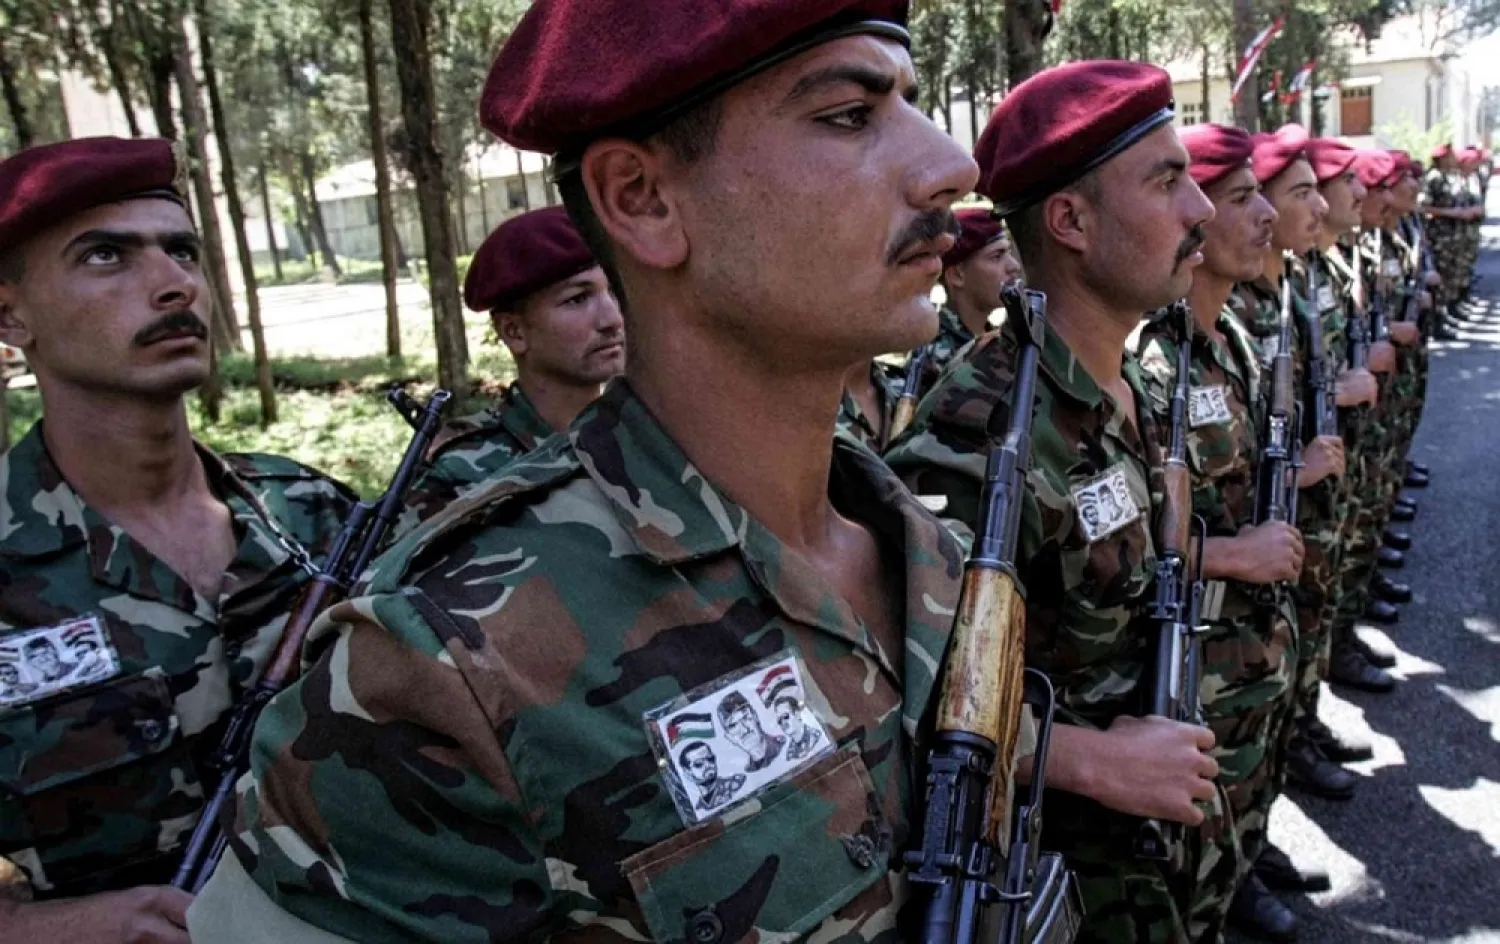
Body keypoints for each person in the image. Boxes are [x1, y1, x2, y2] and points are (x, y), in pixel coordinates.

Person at [188, 1, 979, 940]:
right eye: (849, 115)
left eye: (913, 103)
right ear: (641, 200)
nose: (952, 164)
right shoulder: (450, 668)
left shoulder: (928, 549)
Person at [887, 61, 1237, 942]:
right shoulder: (982, 433)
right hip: (1066, 875)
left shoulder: (1128, 376)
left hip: (1157, 851)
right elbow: (909, 691)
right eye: (1166, 180)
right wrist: (1093, 759)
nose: (1200, 209)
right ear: (1071, 221)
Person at [0, 138, 354, 940]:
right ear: (10, 314)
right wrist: (48, 929)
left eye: (183, 251)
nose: (173, 285)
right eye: (105, 256)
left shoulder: (316, 517)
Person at [1133, 123, 1308, 943]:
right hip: (1197, 658)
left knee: (1246, 785)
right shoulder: (1153, 364)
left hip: (1252, 641)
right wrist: (1236, 555)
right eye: (1242, 198)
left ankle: (1245, 860)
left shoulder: (1230, 336)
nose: (1265, 215)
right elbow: (1131, 550)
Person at [397, 206, 623, 531]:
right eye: (577, 299)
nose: (612, 319)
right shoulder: (462, 476)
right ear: (514, 332)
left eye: (614, 291)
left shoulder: (655, 434)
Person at [678, 742, 745, 811]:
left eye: (710, 759)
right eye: (699, 763)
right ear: (687, 771)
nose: (708, 765)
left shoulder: (736, 782)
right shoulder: (698, 807)